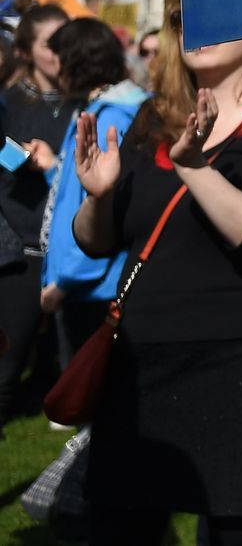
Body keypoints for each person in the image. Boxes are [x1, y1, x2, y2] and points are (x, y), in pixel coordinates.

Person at [72, 0, 242, 545]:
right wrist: (98, 197)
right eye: (182, 16)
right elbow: (97, 242)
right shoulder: (152, 119)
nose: (195, 26)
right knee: (118, 527)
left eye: (215, 9)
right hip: (144, 362)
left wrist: (193, 167)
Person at [39, 18, 150, 366]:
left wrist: (65, 281)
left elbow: (106, 203)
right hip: (87, 284)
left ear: (76, 60)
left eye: (59, 58)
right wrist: (51, 167)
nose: (55, 69)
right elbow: (79, 189)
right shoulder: (98, 109)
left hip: (94, 287)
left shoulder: (111, 118)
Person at [0, 3, 69, 425]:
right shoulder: (10, 101)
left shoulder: (85, 99)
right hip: (21, 241)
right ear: (26, 51)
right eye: (50, 43)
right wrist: (20, 158)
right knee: (9, 358)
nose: (61, 51)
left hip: (69, 241)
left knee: (62, 356)